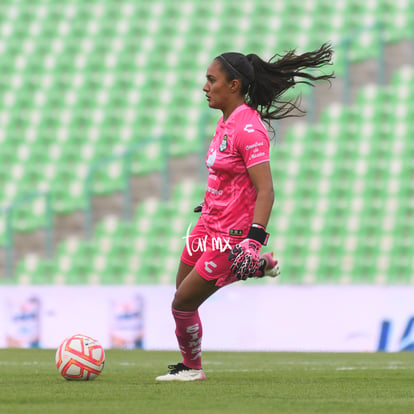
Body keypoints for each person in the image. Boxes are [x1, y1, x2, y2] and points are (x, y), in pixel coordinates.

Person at [156, 43, 334, 381]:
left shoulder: (249, 130)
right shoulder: (225, 122)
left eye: (211, 80)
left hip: (232, 235)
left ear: (233, 85)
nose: (205, 87)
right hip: (207, 225)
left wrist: (253, 240)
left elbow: (266, 190)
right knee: (181, 291)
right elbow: (228, 175)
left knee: (182, 303)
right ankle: (257, 266)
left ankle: (192, 369)